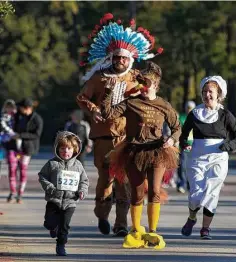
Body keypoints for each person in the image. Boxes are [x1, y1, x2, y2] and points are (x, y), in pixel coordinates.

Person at [76, 13, 162, 237]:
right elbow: (82, 97)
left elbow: (152, 95)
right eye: (116, 58)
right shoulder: (99, 78)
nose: (120, 62)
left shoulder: (136, 78)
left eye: (123, 59)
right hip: (103, 136)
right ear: (111, 58)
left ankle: (121, 224)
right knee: (106, 180)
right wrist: (93, 109)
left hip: (127, 137)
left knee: (124, 181)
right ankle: (102, 214)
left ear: (130, 60)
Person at [101, 61, 181, 249]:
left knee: (154, 191)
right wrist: (108, 91)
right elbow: (108, 114)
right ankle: (136, 230)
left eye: (147, 83)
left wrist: (172, 139)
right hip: (133, 152)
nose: (144, 87)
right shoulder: (131, 103)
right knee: (136, 194)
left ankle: (152, 231)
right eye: (141, 82)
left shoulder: (164, 105)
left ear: (156, 85)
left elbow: (177, 127)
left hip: (157, 152)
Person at [180, 76, 236, 240]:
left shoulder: (225, 115)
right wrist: (184, 144)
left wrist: (228, 146)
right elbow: (184, 134)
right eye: (204, 91)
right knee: (196, 194)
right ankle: (192, 218)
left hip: (218, 157)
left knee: (212, 192)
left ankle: (205, 229)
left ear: (219, 94)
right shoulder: (195, 114)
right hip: (197, 157)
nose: (207, 95)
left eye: (211, 92)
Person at [39, 131, 89, 256]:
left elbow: (84, 181)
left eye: (69, 148)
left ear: (75, 150)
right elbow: (42, 176)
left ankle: (61, 245)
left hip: (70, 202)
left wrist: (82, 191)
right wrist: (50, 188)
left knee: (64, 226)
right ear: (57, 148)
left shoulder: (78, 166)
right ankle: (52, 227)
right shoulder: (52, 164)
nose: (65, 151)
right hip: (54, 200)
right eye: (62, 148)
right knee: (49, 223)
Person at [5, 98, 43, 203]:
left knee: (22, 170)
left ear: (27, 108)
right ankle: (12, 192)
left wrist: (20, 136)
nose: (18, 109)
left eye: (20, 107)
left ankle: (20, 194)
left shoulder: (37, 119)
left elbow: (36, 134)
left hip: (27, 148)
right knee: (12, 169)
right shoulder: (16, 116)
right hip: (13, 147)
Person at [176, 100, 196, 193]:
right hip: (184, 144)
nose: (189, 109)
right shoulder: (182, 117)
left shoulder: (197, 118)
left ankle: (190, 185)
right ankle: (181, 184)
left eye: (191, 108)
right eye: (188, 108)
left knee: (192, 166)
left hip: (195, 144)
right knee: (182, 165)